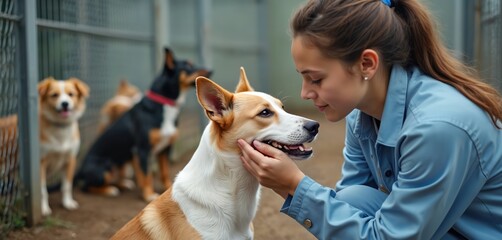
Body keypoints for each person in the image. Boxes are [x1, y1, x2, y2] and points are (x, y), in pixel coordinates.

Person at [237, 0, 502, 239]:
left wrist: (293, 186)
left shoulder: (436, 128)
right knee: (352, 198)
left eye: (316, 78)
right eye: (302, 77)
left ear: (366, 64)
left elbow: (391, 236)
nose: (304, 93)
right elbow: (350, 206)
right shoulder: (361, 117)